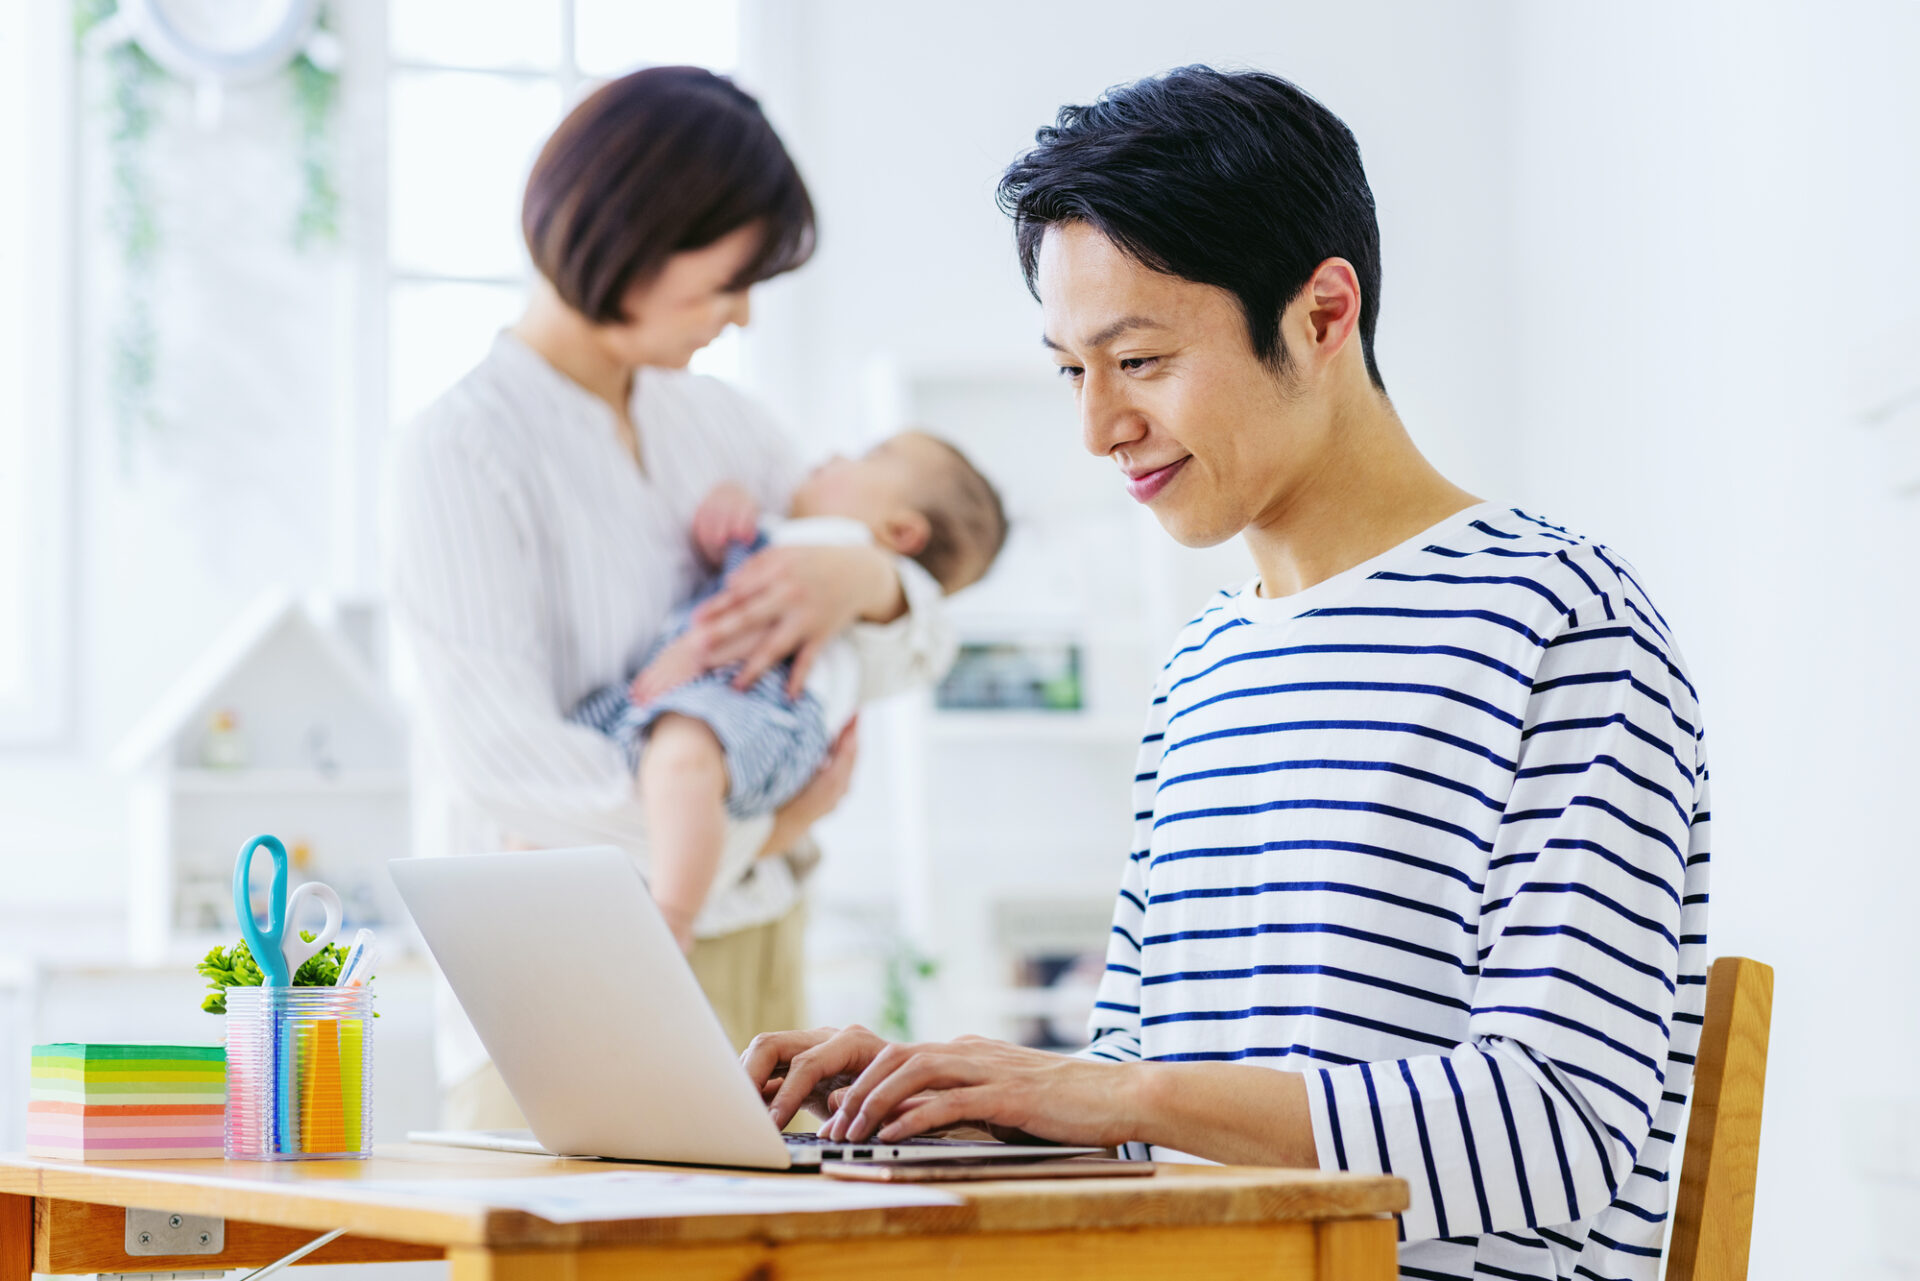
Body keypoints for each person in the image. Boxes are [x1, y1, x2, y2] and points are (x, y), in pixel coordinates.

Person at [742, 67, 1708, 1281]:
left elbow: (1558, 1131)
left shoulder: (1556, 624)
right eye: (1069, 371)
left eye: (1138, 360)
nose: (1098, 428)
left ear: (1321, 313)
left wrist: (1100, 1095)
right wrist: (965, 1101)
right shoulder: (1207, 667)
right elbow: (1144, 1115)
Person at [385, 66, 955, 1128]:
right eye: (729, 281)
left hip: (761, 954)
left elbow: (922, 646)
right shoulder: (463, 449)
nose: (739, 317)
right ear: (632, 242)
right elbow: (507, 767)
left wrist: (866, 579)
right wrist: (765, 828)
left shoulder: (729, 430)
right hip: (561, 976)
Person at [570, 432, 1008, 950]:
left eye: (872, 457)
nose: (837, 454)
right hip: (692, 699)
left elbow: (769, 616)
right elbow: (740, 557)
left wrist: (700, 646)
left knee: (681, 760)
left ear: (901, 530)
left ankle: (673, 915)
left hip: (754, 705)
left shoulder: (846, 552)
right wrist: (731, 516)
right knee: (589, 770)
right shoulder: (798, 535)